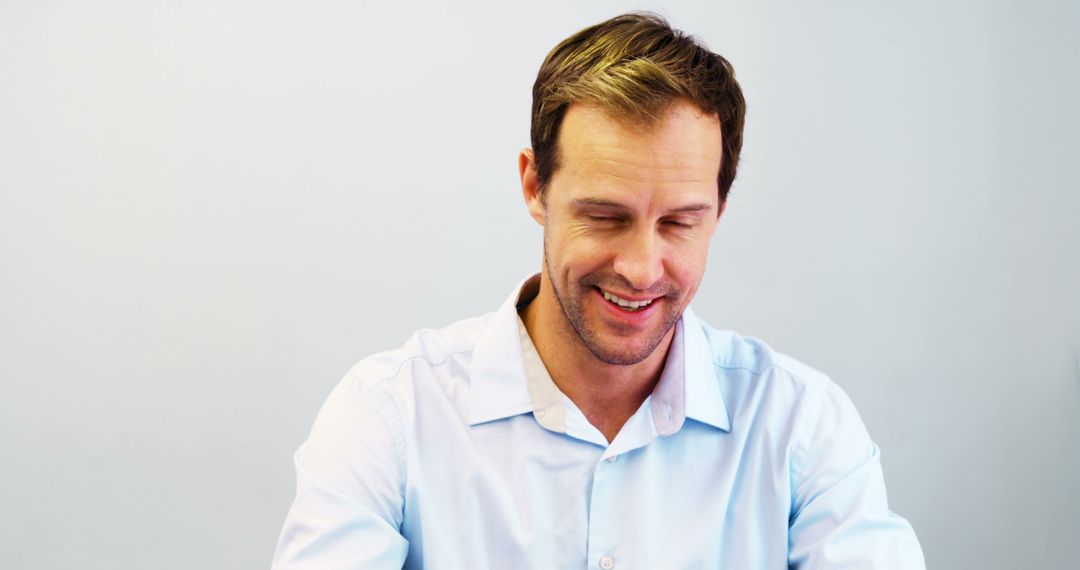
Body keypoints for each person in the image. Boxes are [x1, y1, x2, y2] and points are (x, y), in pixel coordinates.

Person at [272, 12, 925, 569]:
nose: (642, 269)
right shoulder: (390, 417)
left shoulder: (801, 427)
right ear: (535, 186)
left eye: (679, 223)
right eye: (606, 217)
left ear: (719, 211)